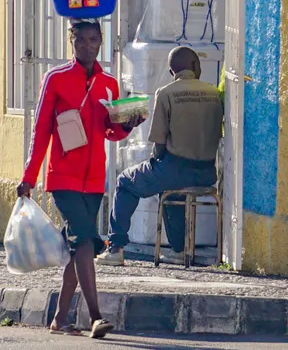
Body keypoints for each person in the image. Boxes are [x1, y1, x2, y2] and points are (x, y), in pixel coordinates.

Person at [18, 20, 144, 338]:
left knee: (78, 248)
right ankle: (96, 316)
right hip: (62, 178)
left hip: (94, 181)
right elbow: (42, 130)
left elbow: (111, 133)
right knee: (85, 240)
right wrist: (29, 178)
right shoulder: (56, 79)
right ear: (71, 42)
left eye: (93, 40)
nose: (87, 46)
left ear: (101, 42)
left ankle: (60, 318)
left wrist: (128, 123)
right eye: (81, 40)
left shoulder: (109, 84)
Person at [97, 46, 223, 266]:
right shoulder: (214, 93)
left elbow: (159, 144)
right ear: (195, 65)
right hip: (206, 173)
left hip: (175, 169)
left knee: (125, 182)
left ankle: (115, 248)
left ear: (171, 70)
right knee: (172, 193)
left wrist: (157, 162)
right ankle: (178, 250)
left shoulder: (165, 93)